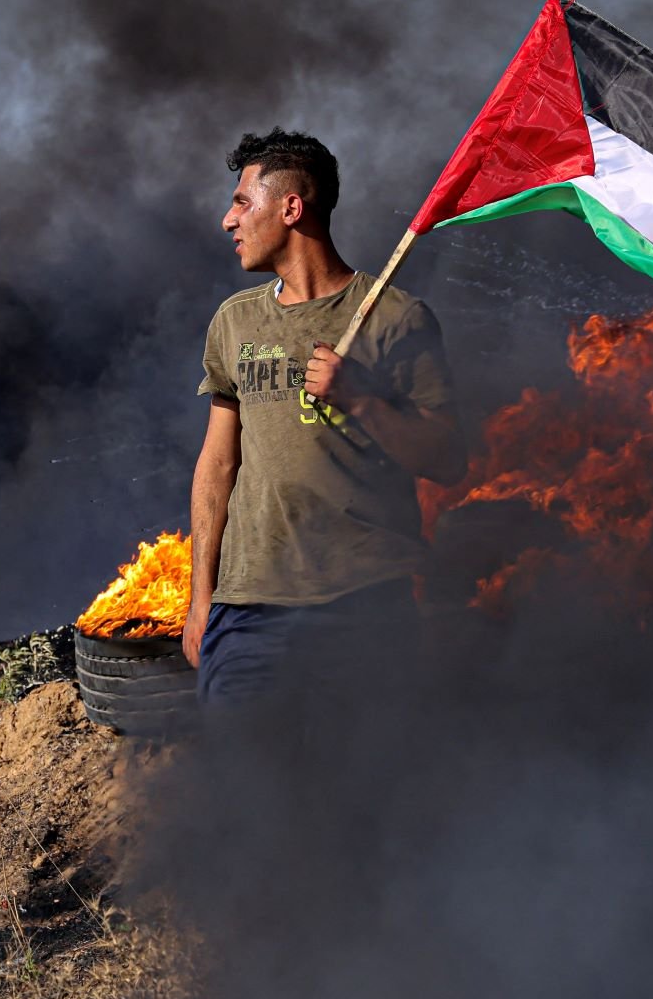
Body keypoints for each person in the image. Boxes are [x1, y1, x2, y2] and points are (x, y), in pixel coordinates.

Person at [182, 130, 464, 708]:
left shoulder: (394, 317)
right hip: (248, 613)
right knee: (245, 788)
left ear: (291, 208)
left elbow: (448, 459)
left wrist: (362, 399)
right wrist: (200, 599)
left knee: (359, 796)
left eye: (241, 202)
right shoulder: (234, 322)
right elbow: (217, 463)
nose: (227, 220)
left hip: (367, 608)